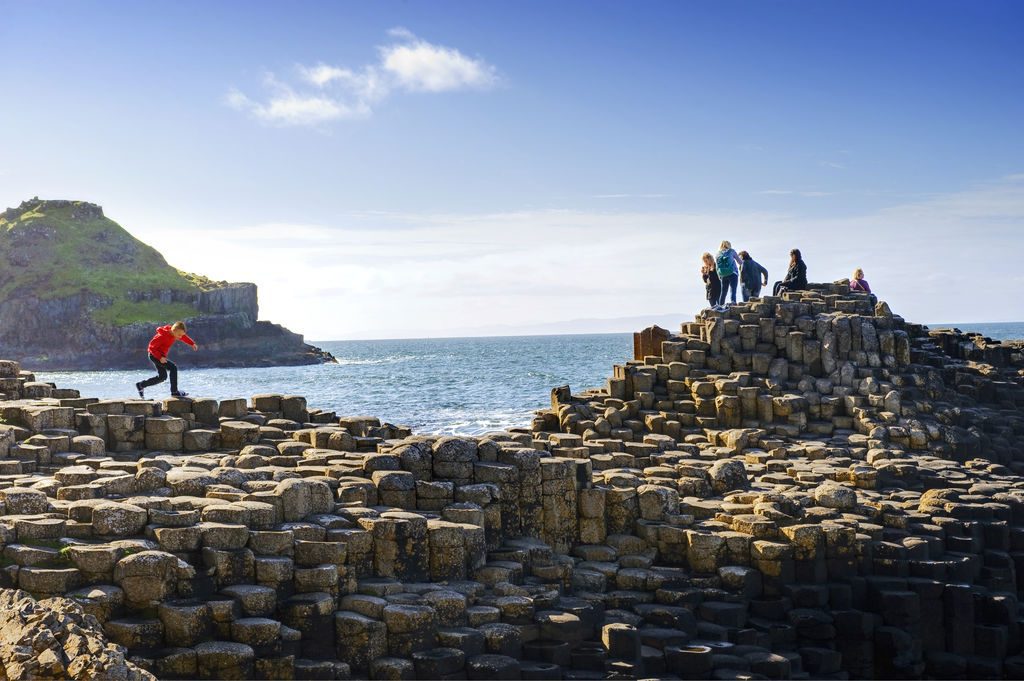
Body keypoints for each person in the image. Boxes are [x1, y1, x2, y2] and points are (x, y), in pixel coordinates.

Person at [135, 321, 199, 398]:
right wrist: (159, 357)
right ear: (173, 330)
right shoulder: (162, 336)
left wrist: (192, 343)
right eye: (179, 335)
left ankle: (141, 385)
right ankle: (174, 392)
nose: (180, 337)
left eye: (181, 335)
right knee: (173, 367)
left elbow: (184, 337)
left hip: (160, 356)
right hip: (154, 355)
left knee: (162, 377)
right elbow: (151, 347)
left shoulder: (174, 333)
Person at [714, 240, 742, 309]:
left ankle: (720, 306)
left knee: (723, 292)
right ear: (729, 245)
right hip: (733, 273)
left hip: (723, 275)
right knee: (733, 290)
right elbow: (740, 262)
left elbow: (717, 267)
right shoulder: (732, 251)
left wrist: (720, 276)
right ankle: (733, 304)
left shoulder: (717, 254)